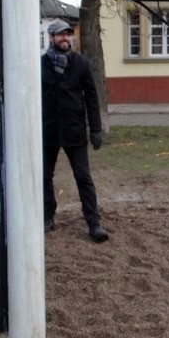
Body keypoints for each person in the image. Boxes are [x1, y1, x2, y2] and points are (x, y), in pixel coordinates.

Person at [42, 20, 108, 242]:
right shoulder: (39, 64)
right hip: (48, 131)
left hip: (74, 130)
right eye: (60, 35)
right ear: (51, 38)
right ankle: (48, 217)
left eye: (68, 35)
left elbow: (91, 95)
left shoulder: (80, 63)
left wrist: (96, 128)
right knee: (44, 177)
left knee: (83, 177)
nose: (65, 39)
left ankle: (94, 223)